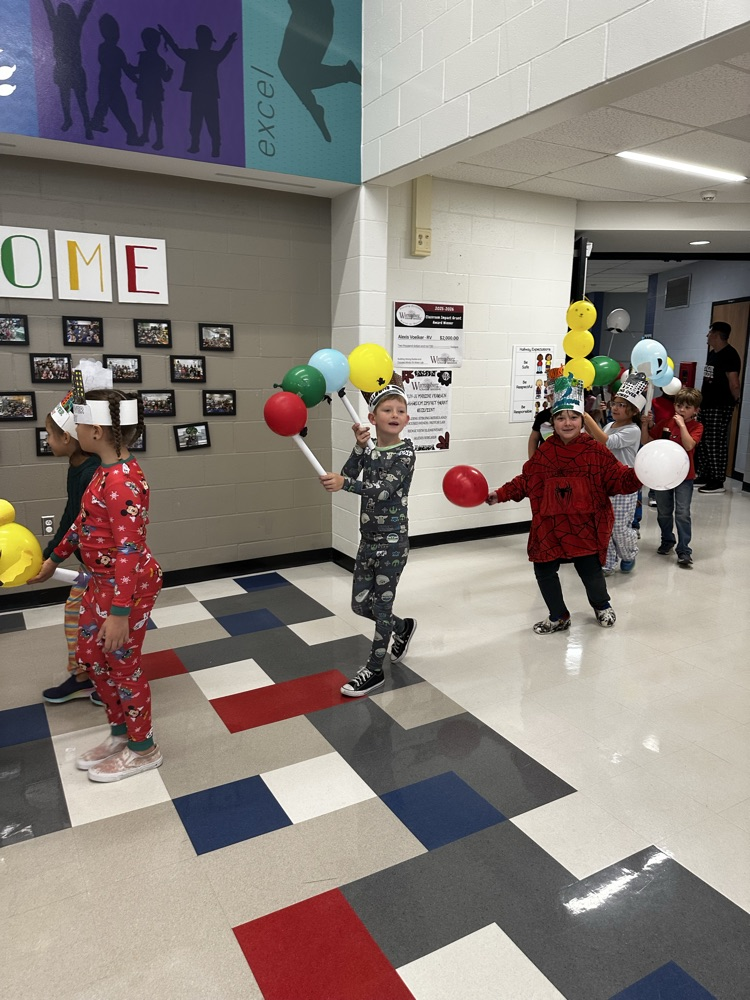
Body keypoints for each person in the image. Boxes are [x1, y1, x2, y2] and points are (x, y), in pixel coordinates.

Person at [29, 387, 163, 781]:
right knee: (93, 655)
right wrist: (53, 560)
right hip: (100, 583)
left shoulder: (124, 482)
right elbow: (82, 522)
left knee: (123, 664)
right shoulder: (101, 473)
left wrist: (120, 614)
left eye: (81, 420)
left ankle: (144, 748)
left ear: (99, 431)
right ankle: (120, 733)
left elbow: (129, 551)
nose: (75, 427)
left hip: (129, 587)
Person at [486, 374, 641, 634]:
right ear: (552, 422)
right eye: (560, 417)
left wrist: (640, 473)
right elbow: (526, 481)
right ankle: (558, 615)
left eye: (573, 416)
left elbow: (618, 478)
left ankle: (602, 605)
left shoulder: (595, 450)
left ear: (582, 420)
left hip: (584, 525)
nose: (567, 423)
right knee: (544, 569)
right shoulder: (546, 452)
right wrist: (499, 494)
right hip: (550, 523)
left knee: (590, 570)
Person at [319, 382, 416, 696]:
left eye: (400, 410)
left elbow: (384, 490)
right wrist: (359, 447)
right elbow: (349, 470)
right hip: (368, 540)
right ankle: (402, 629)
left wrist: (345, 484)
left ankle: (374, 671)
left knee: (382, 610)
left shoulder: (405, 452)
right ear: (373, 418)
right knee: (360, 605)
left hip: (393, 543)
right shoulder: (371, 447)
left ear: (407, 419)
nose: (394, 415)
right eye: (387, 410)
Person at [39, 382, 101, 705]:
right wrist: (50, 554)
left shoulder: (94, 473)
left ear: (67, 438)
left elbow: (85, 523)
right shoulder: (75, 467)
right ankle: (83, 675)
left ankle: (100, 681)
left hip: (105, 568)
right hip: (86, 562)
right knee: (78, 616)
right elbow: (70, 515)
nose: (47, 441)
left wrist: (52, 560)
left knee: (94, 620)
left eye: (50, 435)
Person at [582, 374, 647, 575]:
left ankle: (629, 553)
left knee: (619, 526)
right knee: (603, 526)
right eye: (614, 404)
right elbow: (598, 441)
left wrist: (586, 417)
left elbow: (607, 442)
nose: (615, 408)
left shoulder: (633, 430)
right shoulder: (610, 425)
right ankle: (607, 562)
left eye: (621, 405)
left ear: (634, 410)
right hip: (604, 483)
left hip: (624, 485)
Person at [643, 386, 703, 568]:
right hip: (664, 475)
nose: (681, 410)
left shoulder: (697, 426)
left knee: (683, 513)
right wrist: (645, 425)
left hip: (685, 476)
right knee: (664, 511)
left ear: (695, 410)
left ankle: (684, 550)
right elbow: (647, 442)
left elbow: (688, 445)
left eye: (687, 407)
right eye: (679, 406)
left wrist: (683, 425)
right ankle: (667, 539)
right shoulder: (666, 422)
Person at [695, 321, 741, 494]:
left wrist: (734, 401)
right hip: (707, 404)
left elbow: (734, 383)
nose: (707, 336)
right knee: (705, 441)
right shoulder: (713, 354)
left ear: (716, 335)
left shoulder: (730, 355)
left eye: (710, 333)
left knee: (715, 442)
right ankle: (705, 475)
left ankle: (717, 480)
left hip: (720, 405)